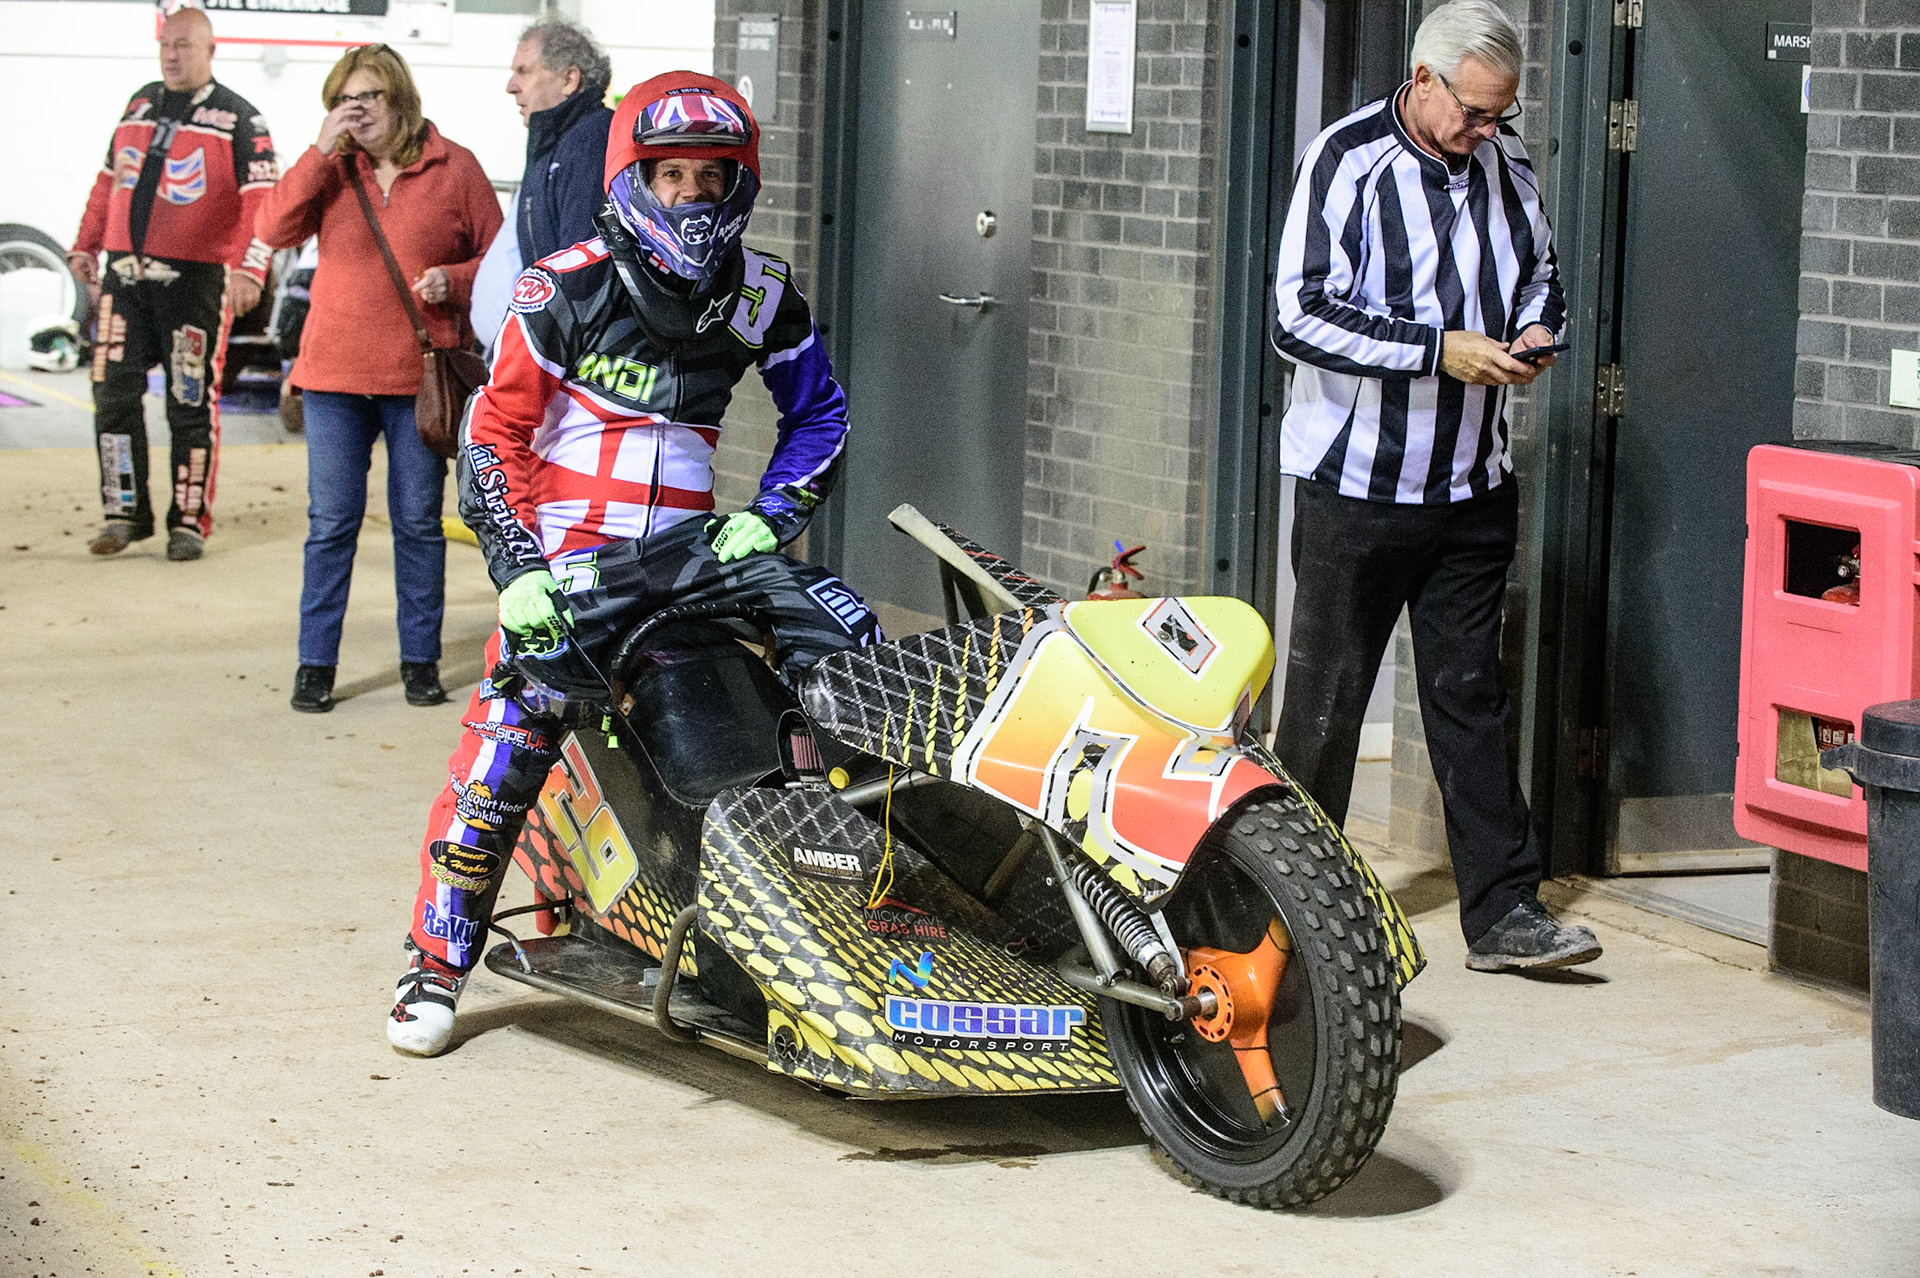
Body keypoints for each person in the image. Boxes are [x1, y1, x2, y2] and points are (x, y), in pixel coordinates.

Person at [386, 71, 880, 1057]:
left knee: (851, 640)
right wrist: (519, 567)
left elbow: (820, 412)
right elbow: (493, 436)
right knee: (506, 744)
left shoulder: (760, 296)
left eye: (712, 177)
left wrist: (774, 515)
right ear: (632, 178)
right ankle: (431, 967)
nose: (693, 197)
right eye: (672, 177)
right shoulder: (563, 285)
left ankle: (866, 908)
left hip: (695, 561)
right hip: (572, 565)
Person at [1271, 0, 1598, 973]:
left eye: (1502, 114)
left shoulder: (1511, 162)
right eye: (1476, 113)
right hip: (1356, 490)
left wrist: (1538, 334)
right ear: (1423, 81)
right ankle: (1289, 916)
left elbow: (1543, 277)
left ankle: (1505, 914)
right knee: (1326, 708)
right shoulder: (1343, 161)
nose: (1489, 133)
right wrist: (1433, 350)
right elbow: (1297, 315)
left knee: (1470, 697)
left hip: (1473, 485)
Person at [254, 44, 502, 715]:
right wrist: (317, 151)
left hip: (418, 380)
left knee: (418, 523)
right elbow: (271, 228)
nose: (354, 111)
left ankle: (419, 659)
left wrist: (455, 280)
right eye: (342, 99)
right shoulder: (329, 170)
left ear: (400, 99)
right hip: (334, 376)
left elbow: (505, 261)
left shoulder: (456, 168)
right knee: (331, 523)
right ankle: (315, 664)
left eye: (368, 97)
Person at [69, 5, 276, 562]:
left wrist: (249, 269)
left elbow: (264, 203)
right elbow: (108, 180)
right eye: (166, 44)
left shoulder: (241, 118)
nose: (171, 54)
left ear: (211, 50)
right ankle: (123, 514)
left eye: (184, 44)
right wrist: (85, 244)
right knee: (111, 395)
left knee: (188, 402)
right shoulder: (139, 101)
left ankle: (188, 521)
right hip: (122, 279)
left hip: (194, 284)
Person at [472, 21, 615, 353]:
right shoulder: (555, 139)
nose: (511, 86)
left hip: (561, 358)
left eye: (524, 71)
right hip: (537, 353)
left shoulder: (589, 141)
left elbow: (582, 264)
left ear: (569, 79)